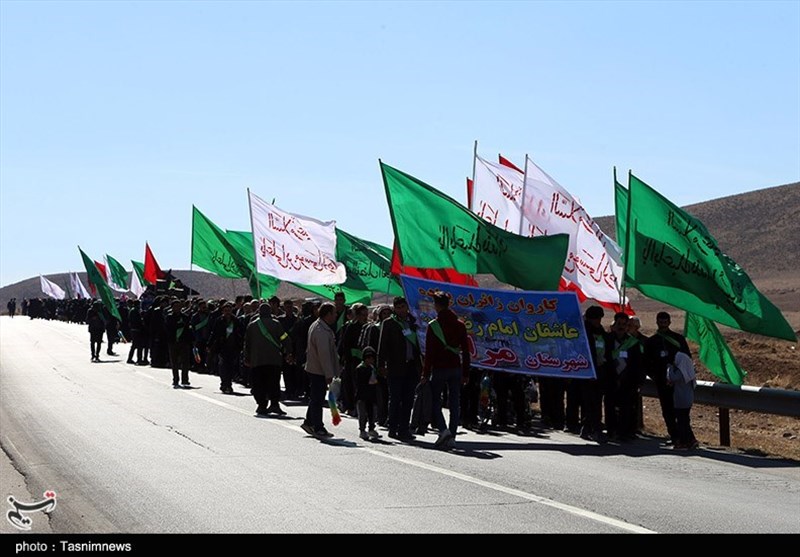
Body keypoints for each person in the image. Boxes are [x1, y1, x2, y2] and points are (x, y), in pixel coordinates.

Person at [422, 291, 470, 450]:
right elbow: (466, 351)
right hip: (456, 367)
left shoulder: (433, 325)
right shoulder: (460, 325)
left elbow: (429, 353)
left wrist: (425, 373)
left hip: (439, 368)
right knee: (455, 403)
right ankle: (452, 436)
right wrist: (466, 373)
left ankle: (443, 430)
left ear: (436, 305)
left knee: (435, 400)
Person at [378, 297, 421, 442]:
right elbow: (382, 346)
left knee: (408, 400)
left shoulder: (414, 323)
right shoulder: (389, 323)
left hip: (411, 367)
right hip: (395, 366)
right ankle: (392, 427)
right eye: (399, 307)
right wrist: (381, 365)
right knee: (395, 399)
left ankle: (404, 429)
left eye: (403, 307)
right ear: (395, 309)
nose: (402, 310)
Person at [645, 311, 691, 445]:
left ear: (669, 322)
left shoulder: (678, 339)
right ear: (657, 322)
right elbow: (647, 362)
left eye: (665, 322)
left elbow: (687, 358)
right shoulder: (652, 341)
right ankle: (674, 436)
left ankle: (685, 437)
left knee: (681, 411)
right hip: (662, 382)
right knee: (667, 410)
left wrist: (679, 376)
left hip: (678, 382)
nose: (663, 324)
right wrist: (656, 377)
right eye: (661, 322)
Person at [243, 303, 293, 416]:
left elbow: (247, 344)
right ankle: (274, 404)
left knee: (258, 384)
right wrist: (289, 352)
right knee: (274, 383)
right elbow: (285, 338)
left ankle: (261, 405)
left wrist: (247, 358)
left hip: (257, 361)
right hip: (273, 360)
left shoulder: (251, 325)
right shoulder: (276, 324)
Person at [301, 302, 341, 438]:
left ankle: (309, 421)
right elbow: (324, 355)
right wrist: (329, 374)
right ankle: (318, 427)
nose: (336, 315)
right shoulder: (321, 330)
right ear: (328, 314)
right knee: (318, 399)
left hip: (316, 368)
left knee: (315, 397)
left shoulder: (320, 326)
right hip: (318, 370)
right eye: (334, 313)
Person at [581, 305, 612, 442]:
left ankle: (588, 428)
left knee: (596, 402)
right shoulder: (584, 333)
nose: (598, 321)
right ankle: (594, 429)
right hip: (587, 373)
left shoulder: (601, 333)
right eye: (596, 318)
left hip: (600, 372)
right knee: (590, 403)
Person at [208, 302, 243, 394]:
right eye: (225, 310)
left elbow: (241, 334)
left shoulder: (236, 321)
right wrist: (209, 345)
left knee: (231, 366)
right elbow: (214, 334)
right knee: (223, 366)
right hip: (222, 347)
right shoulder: (219, 320)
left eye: (229, 310)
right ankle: (224, 383)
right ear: (223, 311)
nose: (227, 312)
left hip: (233, 347)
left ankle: (229, 384)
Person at [667, 351, 698, 450]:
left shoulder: (681, 371)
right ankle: (690, 440)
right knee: (684, 420)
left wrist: (669, 367)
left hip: (682, 400)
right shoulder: (688, 370)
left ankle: (684, 441)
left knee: (681, 421)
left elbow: (672, 377)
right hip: (686, 398)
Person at [164, 299, 192, 388]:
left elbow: (188, 329)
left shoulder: (185, 317)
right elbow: (170, 328)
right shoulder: (169, 317)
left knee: (185, 362)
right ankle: (175, 379)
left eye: (179, 306)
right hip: (173, 342)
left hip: (184, 342)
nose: (177, 308)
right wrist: (180, 325)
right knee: (174, 362)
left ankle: (185, 379)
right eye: (175, 306)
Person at [355, 347, 381, 441]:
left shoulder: (372, 368)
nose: (371, 360)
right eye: (369, 358)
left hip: (371, 395)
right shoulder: (360, 368)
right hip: (362, 395)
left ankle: (371, 428)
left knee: (372, 412)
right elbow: (359, 383)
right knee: (362, 414)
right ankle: (362, 430)